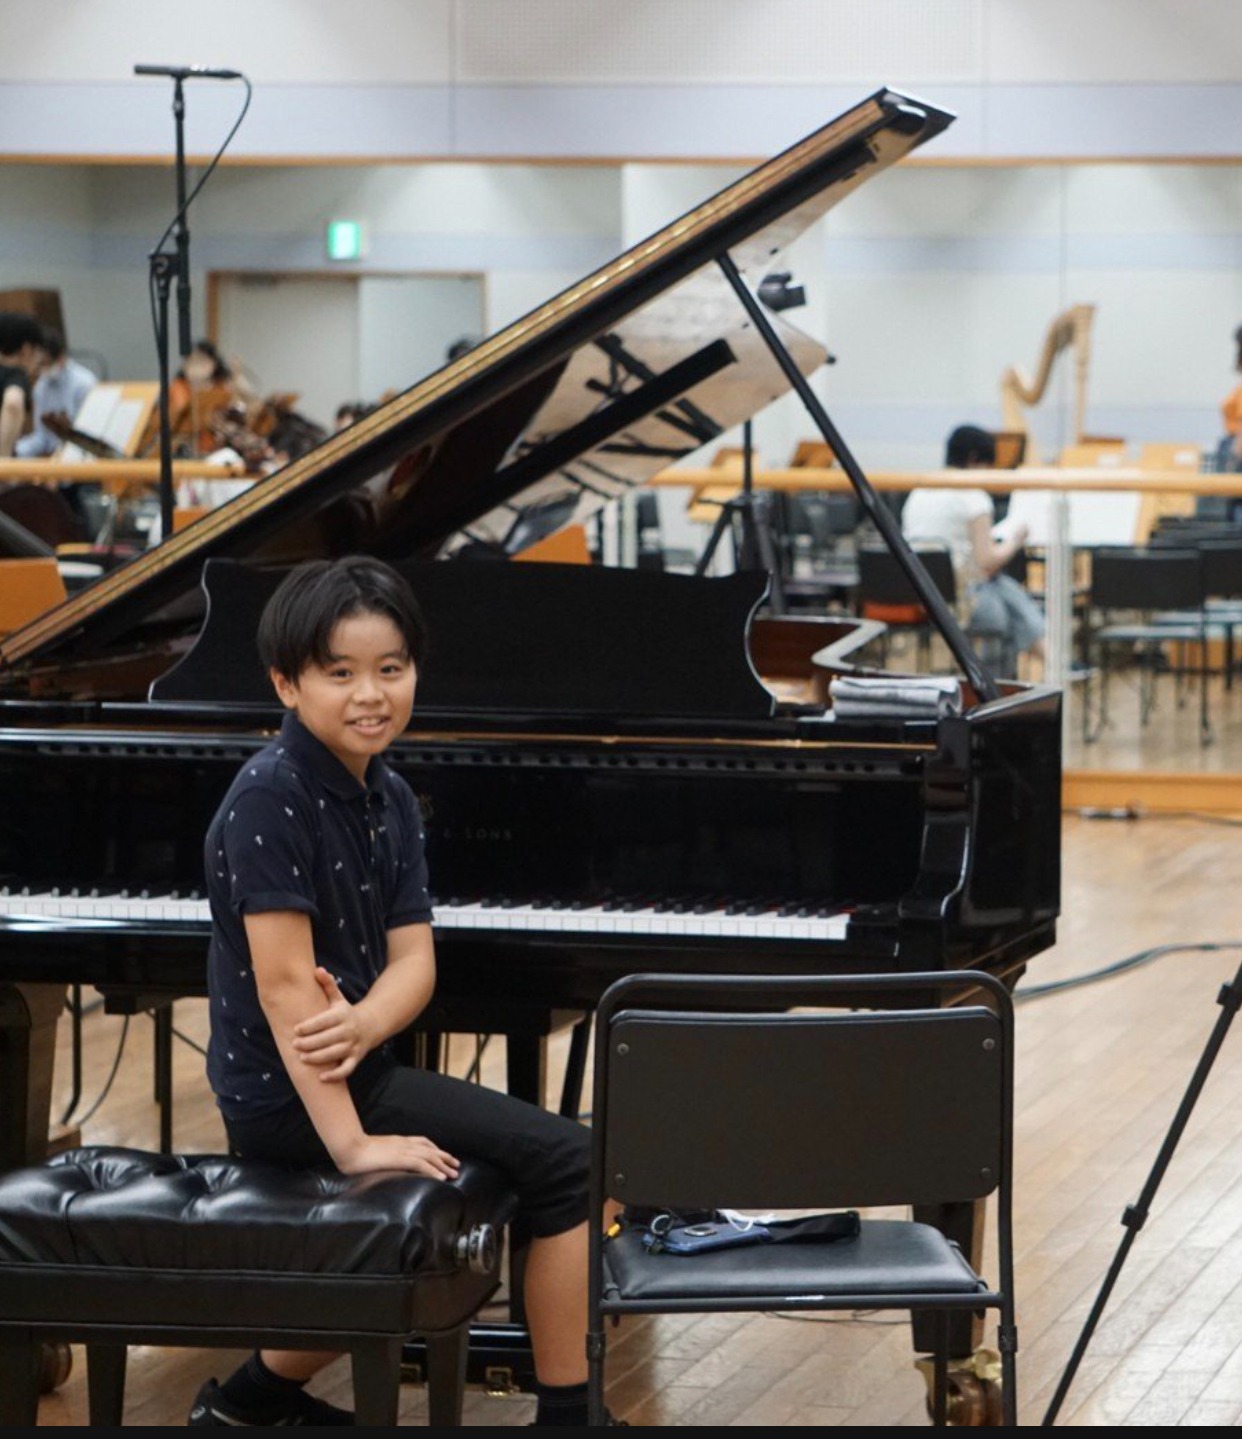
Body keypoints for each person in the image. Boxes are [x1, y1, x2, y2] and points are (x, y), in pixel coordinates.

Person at [192, 556, 610, 1429]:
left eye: (391, 668)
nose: (370, 693)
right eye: (339, 673)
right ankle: (572, 1414)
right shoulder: (271, 796)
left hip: (351, 1066)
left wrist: (368, 1019)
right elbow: (281, 989)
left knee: (520, 1160)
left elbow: (416, 961)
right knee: (568, 1158)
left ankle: (245, 1407)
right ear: (286, 681)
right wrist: (351, 1145)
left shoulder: (387, 794)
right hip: (291, 1097)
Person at [900, 424, 1046, 662]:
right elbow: (987, 563)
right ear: (974, 459)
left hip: (918, 594)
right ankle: (1046, 661)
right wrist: (1015, 541)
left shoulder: (920, 491)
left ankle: (1048, 658)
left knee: (1002, 593)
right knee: (1002, 596)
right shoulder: (973, 497)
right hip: (960, 605)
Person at [14, 325, 97, 457]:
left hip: (81, 457)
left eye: (46, 363)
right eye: (39, 364)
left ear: (61, 357)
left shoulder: (84, 384)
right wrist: (14, 452)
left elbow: (90, 437)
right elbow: (41, 438)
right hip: (54, 459)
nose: (42, 369)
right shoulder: (41, 387)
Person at [0, 311, 47, 458]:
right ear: (26, 349)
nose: (40, 358)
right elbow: (13, 404)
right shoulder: (16, 374)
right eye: (38, 350)